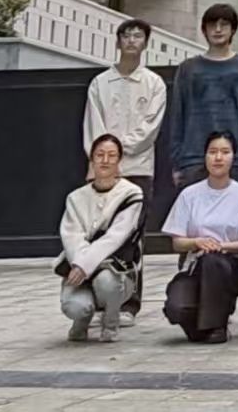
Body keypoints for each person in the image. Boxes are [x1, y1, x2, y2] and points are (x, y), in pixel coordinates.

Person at [81, 17, 165, 321]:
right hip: (102, 171)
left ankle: (129, 303)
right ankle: (98, 301)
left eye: (138, 36)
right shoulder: (100, 83)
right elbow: (93, 125)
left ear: (146, 43)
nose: (131, 40)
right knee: (97, 235)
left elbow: (150, 127)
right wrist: (105, 157)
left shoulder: (154, 83)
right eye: (126, 35)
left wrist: (119, 149)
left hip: (138, 169)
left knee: (133, 239)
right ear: (118, 41)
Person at [161, 131, 238, 343]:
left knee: (213, 261)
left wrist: (220, 246)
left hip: (230, 265)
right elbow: (177, 242)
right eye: (213, 152)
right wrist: (197, 242)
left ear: (233, 157)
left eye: (225, 152)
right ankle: (212, 318)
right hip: (195, 263)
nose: (218, 158)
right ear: (205, 156)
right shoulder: (189, 194)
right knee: (178, 309)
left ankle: (217, 326)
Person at [58, 133, 144, 343]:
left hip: (115, 271)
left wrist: (85, 264)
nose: (105, 160)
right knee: (74, 306)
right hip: (79, 267)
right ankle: (81, 321)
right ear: (92, 159)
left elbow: (116, 237)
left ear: (119, 160)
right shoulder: (75, 198)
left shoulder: (131, 194)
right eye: (100, 155)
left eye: (111, 155)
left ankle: (111, 321)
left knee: (107, 282)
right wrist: (80, 265)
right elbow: (72, 236)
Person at [169, 3, 238, 187]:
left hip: (235, 158)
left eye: (224, 24)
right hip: (193, 157)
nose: (218, 29)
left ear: (233, 29)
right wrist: (177, 160)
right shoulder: (188, 68)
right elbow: (177, 115)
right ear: (204, 30)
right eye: (212, 24)